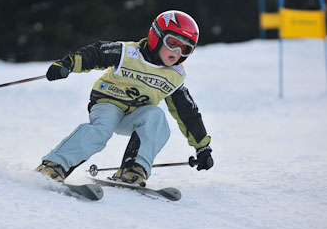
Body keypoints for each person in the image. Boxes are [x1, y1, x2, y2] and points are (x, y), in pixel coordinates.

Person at [35, 10, 213, 187]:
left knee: (156, 117)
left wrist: (202, 147)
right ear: (156, 36)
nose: (177, 52)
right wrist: (68, 63)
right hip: (108, 103)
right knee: (101, 130)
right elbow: (97, 53)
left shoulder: (175, 76)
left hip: (135, 115)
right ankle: (54, 165)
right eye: (172, 43)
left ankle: (133, 168)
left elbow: (188, 113)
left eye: (185, 48)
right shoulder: (128, 53)